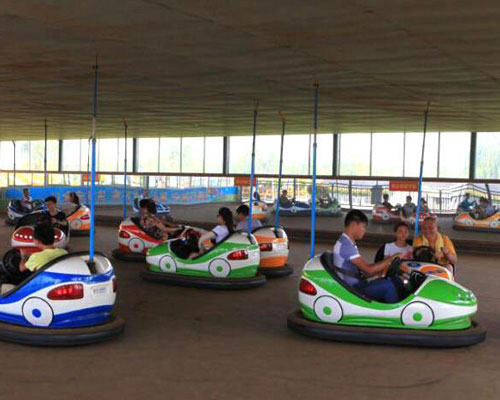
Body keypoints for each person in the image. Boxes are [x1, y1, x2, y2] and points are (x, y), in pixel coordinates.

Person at [333, 210, 407, 303]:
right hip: (354, 289)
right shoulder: (345, 245)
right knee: (387, 285)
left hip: (358, 283)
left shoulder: (348, 242)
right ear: (353, 225)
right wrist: (391, 258)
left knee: (396, 280)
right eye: (363, 227)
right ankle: (396, 314)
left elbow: (364, 271)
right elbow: (368, 269)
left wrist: (383, 268)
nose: (365, 230)